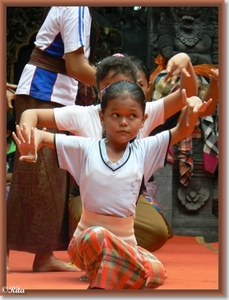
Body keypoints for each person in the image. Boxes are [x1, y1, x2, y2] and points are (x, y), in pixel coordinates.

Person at [13, 81, 211, 289]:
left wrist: (193, 106)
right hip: (86, 244)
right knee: (95, 235)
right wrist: (32, 143)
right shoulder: (86, 148)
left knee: (158, 273)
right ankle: (116, 276)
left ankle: (108, 275)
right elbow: (44, 136)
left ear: (143, 120)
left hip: (127, 246)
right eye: (116, 115)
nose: (123, 122)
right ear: (102, 117)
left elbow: (183, 129)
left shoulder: (145, 149)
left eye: (132, 116)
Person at [7, 6, 99, 273]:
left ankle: (44, 255)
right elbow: (76, 66)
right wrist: (116, 79)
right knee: (33, 171)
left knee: (54, 178)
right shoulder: (76, 6)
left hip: (54, 94)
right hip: (43, 91)